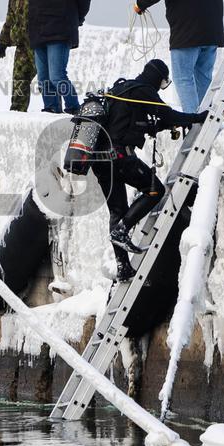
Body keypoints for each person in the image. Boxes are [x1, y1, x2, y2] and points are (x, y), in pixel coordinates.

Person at [90, 59, 206, 282]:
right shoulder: (143, 90)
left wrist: (165, 125)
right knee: (155, 190)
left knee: (117, 210)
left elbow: (150, 121)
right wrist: (197, 117)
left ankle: (123, 267)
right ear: (157, 78)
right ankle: (122, 230)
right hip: (120, 156)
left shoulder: (123, 89)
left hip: (99, 159)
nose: (162, 87)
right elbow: (168, 115)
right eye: (164, 83)